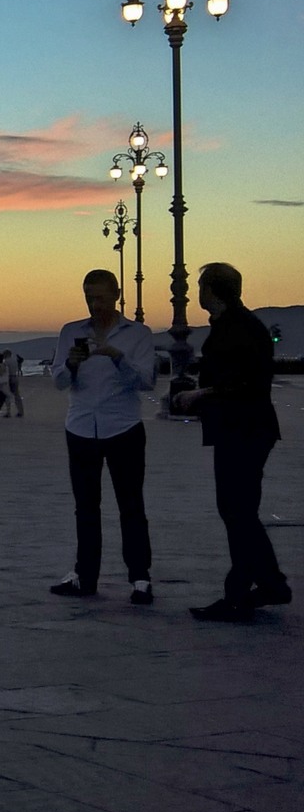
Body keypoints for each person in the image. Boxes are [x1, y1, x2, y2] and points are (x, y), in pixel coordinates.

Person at [172, 263, 289, 622]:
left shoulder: (240, 327)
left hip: (245, 429)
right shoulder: (235, 325)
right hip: (241, 429)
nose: (193, 294)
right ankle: (270, 584)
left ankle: (240, 595)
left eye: (200, 286)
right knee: (239, 511)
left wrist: (199, 394)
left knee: (237, 512)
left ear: (212, 290)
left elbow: (248, 382)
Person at [50, 269, 157, 604]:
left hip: (123, 427)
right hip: (81, 427)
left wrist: (116, 356)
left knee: (131, 506)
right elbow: (58, 381)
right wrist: (71, 364)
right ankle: (85, 576)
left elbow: (146, 381)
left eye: (99, 296)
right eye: (88, 296)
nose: (94, 304)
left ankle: (140, 578)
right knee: (86, 507)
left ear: (116, 295)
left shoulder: (138, 334)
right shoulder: (71, 331)